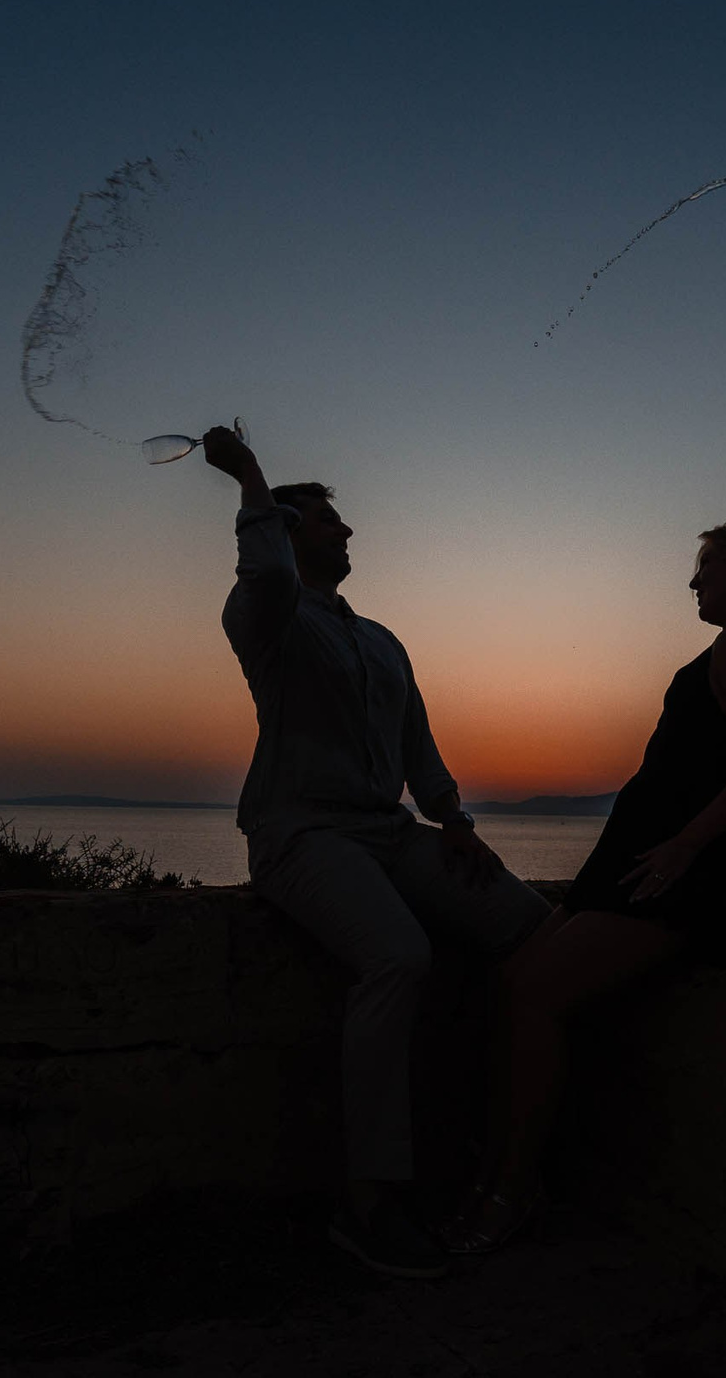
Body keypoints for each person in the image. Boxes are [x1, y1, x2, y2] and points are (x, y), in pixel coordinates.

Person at [439, 519, 726, 1255]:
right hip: (636, 855)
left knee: (534, 994)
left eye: (704, 568)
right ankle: (502, 1171)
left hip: (680, 866)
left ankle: (511, 1189)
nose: (692, 582)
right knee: (516, 982)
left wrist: (685, 844)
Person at [204, 425, 549, 1280]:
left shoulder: (383, 639)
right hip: (300, 833)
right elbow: (271, 570)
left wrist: (455, 820)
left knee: (534, 925)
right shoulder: (268, 618)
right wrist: (250, 478)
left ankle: (497, 1135)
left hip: (390, 832)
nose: (349, 532)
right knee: (398, 955)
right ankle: (371, 1203)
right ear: (286, 532)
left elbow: (419, 745)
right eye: (329, 521)